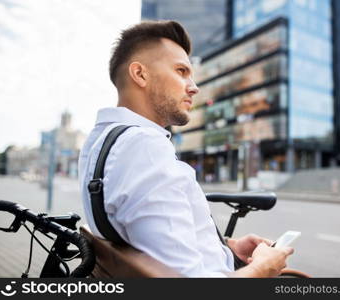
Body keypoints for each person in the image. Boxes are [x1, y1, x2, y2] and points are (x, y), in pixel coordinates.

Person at [78, 20, 293, 277]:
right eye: (181, 71)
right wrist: (263, 267)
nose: (194, 86)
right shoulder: (145, 148)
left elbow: (149, 238)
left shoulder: (101, 141)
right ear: (140, 74)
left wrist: (225, 248)